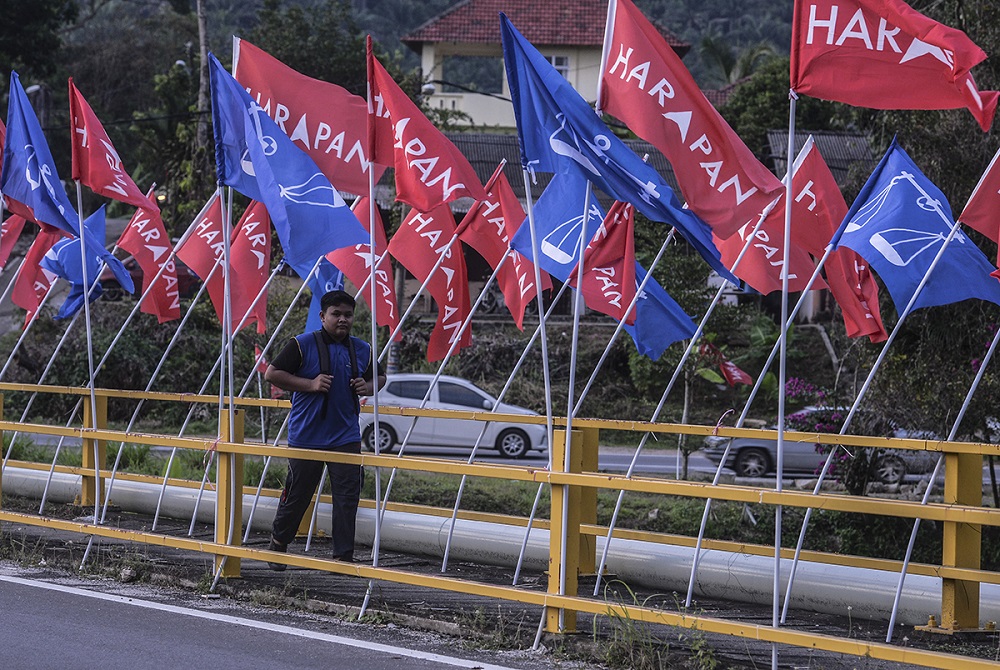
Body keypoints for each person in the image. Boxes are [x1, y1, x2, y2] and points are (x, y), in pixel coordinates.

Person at [264, 290, 385, 568]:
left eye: (348, 314)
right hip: (307, 435)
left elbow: (380, 377)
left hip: (346, 435)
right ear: (322, 316)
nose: (343, 319)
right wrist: (311, 384)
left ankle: (342, 557)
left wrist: (366, 387)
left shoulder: (362, 348)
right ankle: (279, 543)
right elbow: (272, 373)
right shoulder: (301, 344)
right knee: (298, 494)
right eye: (336, 314)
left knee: (347, 497)